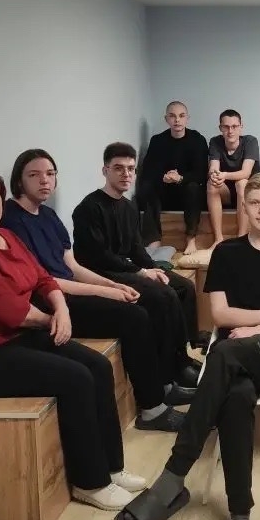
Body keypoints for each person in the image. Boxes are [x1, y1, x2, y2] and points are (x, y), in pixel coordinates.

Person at [113, 173, 260, 520]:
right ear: (244, 207)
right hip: (235, 354)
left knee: (224, 354)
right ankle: (241, 516)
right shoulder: (227, 253)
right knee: (237, 394)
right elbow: (221, 315)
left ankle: (173, 476)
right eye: (255, 203)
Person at [0, 165, 145, 512]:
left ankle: (112, 467)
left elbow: (43, 279)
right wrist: (54, 320)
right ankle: (90, 483)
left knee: (97, 365)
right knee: (75, 378)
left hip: (12, 337)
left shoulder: (7, 236)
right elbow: (16, 312)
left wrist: (62, 309)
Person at [2, 149, 193, 431]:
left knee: (147, 301)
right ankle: (152, 409)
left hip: (68, 289)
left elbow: (72, 266)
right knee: (135, 317)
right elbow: (44, 280)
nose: (44, 180)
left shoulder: (48, 215)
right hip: (47, 302)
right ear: (19, 180)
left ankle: (165, 384)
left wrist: (112, 285)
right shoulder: (10, 221)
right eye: (34, 175)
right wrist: (106, 292)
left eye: (50, 174)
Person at [72, 142, 206, 359]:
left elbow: (136, 248)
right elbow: (99, 256)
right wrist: (142, 272)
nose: (126, 174)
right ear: (105, 170)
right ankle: (172, 363)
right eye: (118, 168)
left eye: (130, 169)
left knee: (184, 286)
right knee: (164, 295)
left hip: (124, 268)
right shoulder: (89, 208)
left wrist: (154, 269)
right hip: (101, 273)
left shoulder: (129, 206)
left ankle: (187, 347)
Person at [136, 101, 209, 255]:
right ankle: (153, 241)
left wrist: (180, 178)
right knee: (147, 187)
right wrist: (164, 177)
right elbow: (147, 171)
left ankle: (190, 238)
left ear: (187, 118)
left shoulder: (197, 139)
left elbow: (201, 173)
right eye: (172, 116)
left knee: (194, 187)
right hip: (164, 193)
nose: (177, 120)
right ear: (166, 119)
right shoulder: (157, 140)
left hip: (188, 194)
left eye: (181, 116)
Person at [208, 109, 260, 245]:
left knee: (241, 183)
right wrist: (214, 175)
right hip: (226, 193)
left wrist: (224, 175)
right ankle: (218, 239)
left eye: (234, 126)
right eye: (226, 127)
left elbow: (246, 173)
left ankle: (241, 238)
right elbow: (213, 167)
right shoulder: (215, 141)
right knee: (211, 183)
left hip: (248, 193)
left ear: (241, 127)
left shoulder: (250, 141)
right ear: (220, 128)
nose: (230, 131)